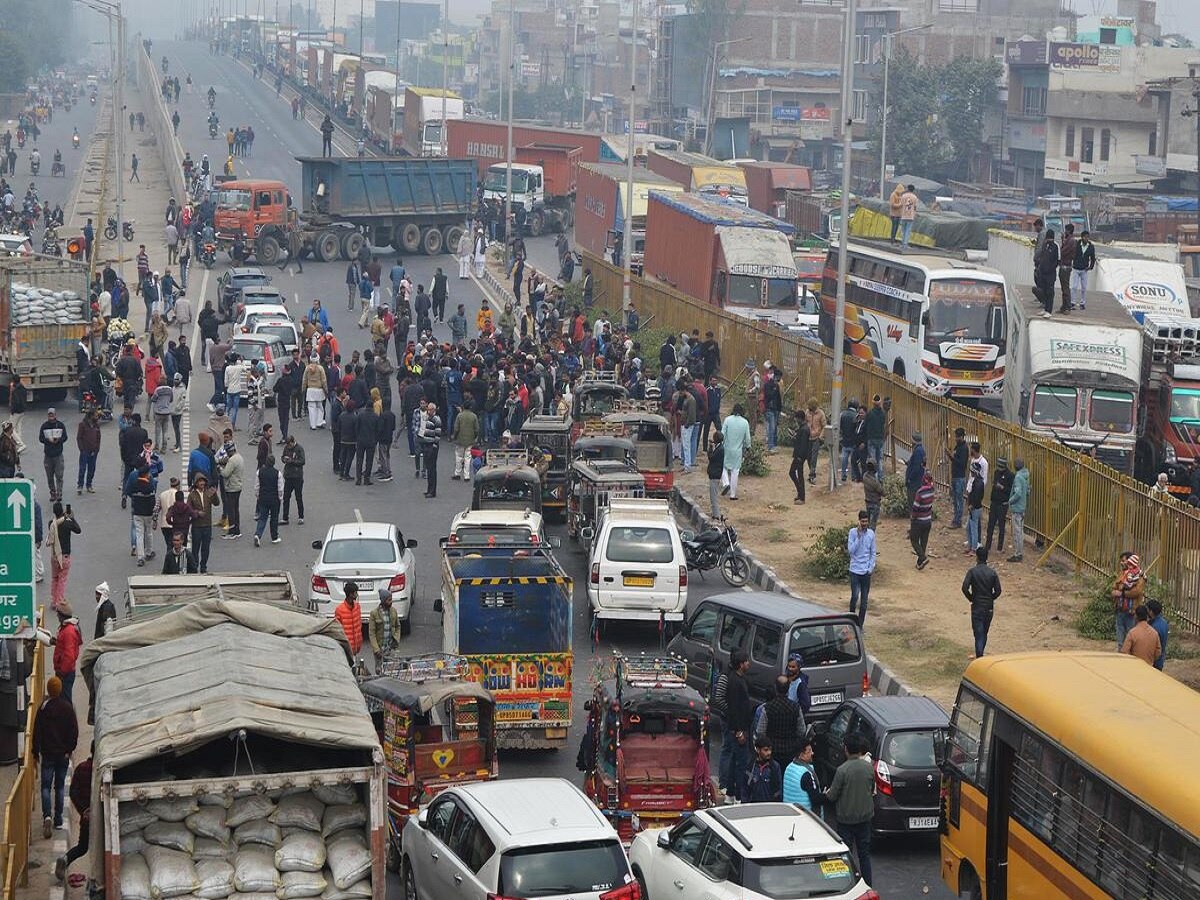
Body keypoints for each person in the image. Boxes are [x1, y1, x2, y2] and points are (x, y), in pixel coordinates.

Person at [825, 731, 875, 887]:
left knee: (846, 855)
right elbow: (871, 788)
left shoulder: (842, 770)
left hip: (846, 820)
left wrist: (826, 793)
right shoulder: (868, 768)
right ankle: (867, 886)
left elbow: (832, 796)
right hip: (865, 818)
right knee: (864, 856)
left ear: (845, 749)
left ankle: (848, 887)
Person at [33, 676, 77, 839]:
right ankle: (58, 819)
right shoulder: (67, 708)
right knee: (59, 786)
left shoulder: (43, 709)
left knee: (45, 786)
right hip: (62, 754)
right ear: (59, 690)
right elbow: (74, 731)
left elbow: (36, 732)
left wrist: (35, 752)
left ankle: (47, 816)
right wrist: (69, 749)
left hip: (48, 754)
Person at [54, 747, 92, 883]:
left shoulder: (81, 768)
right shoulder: (103, 770)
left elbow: (73, 793)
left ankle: (65, 859)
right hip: (102, 819)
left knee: (82, 847)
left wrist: (84, 811)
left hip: (86, 818)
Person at [754, 675, 805, 766]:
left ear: (776, 688)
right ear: (788, 689)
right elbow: (801, 730)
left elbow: (760, 732)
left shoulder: (767, 708)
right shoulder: (796, 707)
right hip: (791, 751)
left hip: (773, 751)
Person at [724, 649, 753, 801]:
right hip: (740, 729)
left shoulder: (738, 679)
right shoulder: (736, 682)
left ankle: (730, 793)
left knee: (734, 762)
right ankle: (738, 796)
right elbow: (735, 708)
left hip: (740, 727)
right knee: (741, 764)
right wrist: (739, 731)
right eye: (747, 661)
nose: (749, 663)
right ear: (741, 665)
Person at [962, 547, 1002, 657]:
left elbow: (964, 588)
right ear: (987, 558)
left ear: (977, 558)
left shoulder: (972, 572)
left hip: (977, 606)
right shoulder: (992, 573)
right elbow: (998, 591)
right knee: (984, 632)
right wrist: (991, 598)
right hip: (988, 607)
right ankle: (980, 655)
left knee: (978, 633)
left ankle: (979, 657)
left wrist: (971, 598)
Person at [47, 502, 81, 611]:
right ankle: (59, 601)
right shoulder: (67, 523)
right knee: (62, 579)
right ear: (62, 511)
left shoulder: (51, 524)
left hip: (54, 556)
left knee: (55, 579)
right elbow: (78, 530)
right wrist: (72, 518)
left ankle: (53, 601)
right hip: (64, 556)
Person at [848, 510, 876, 627]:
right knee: (854, 597)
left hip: (865, 572)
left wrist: (870, 568)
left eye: (866, 521)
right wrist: (858, 537)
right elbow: (851, 550)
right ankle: (850, 622)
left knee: (864, 602)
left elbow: (873, 552)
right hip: (854, 570)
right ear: (859, 521)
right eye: (862, 521)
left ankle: (860, 626)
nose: (864, 523)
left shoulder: (871, 534)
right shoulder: (853, 532)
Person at [187, 474, 219, 573]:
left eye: (203, 481)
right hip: (197, 526)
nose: (202, 483)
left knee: (206, 548)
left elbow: (217, 503)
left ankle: (203, 566)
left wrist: (215, 494)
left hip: (207, 525)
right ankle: (195, 566)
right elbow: (188, 509)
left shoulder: (208, 492)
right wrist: (197, 513)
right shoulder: (192, 495)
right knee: (195, 549)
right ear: (196, 483)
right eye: (200, 482)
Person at [1112, 551, 1144, 650]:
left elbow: (1137, 592)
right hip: (1120, 610)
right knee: (1120, 641)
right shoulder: (1123, 573)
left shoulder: (1139, 575)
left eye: (1123, 561)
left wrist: (1121, 593)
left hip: (1131, 611)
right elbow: (1114, 587)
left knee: (1131, 639)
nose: (1121, 563)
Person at [51, 603, 82, 703]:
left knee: (64, 700)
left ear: (61, 615)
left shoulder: (68, 631)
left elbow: (69, 655)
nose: (57, 616)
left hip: (65, 673)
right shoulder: (67, 629)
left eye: (58, 614)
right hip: (65, 671)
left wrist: (62, 672)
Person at [720, 404, 750, 500]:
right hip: (738, 451)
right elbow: (747, 438)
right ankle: (733, 495)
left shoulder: (728, 420)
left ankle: (725, 483)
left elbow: (722, 434)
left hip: (727, 448)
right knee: (735, 471)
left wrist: (719, 443)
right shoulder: (745, 422)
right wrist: (747, 447)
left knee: (723, 466)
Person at [782, 738, 822, 811]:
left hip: (789, 812)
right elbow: (816, 799)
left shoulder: (789, 767)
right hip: (804, 815)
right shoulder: (806, 773)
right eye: (809, 751)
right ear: (801, 755)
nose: (812, 753)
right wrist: (826, 795)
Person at [253, 453, 283, 546]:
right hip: (274, 499)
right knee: (274, 518)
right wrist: (280, 498)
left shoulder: (259, 472)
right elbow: (280, 488)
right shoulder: (277, 473)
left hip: (263, 498)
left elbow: (257, 486)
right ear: (274, 463)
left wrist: (258, 496)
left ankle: (258, 534)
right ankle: (274, 537)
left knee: (262, 518)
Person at [985, 457, 1014, 553]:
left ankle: (999, 547)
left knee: (1001, 526)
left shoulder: (1010, 475)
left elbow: (1011, 490)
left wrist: (1002, 487)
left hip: (1002, 504)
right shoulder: (996, 472)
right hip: (994, 502)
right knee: (990, 525)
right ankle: (987, 546)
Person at [217, 439, 244, 539]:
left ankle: (231, 531)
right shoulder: (239, 457)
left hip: (231, 487)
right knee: (236, 509)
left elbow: (225, 474)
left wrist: (219, 468)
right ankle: (237, 530)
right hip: (238, 486)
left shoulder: (232, 460)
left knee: (231, 510)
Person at [39, 407, 67, 501]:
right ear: (48, 415)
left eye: (52, 414)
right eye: (49, 414)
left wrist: (59, 440)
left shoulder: (60, 425)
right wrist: (48, 440)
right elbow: (40, 438)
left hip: (58, 455)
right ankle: (52, 493)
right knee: (49, 476)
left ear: (55, 415)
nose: (51, 416)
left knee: (59, 475)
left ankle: (59, 494)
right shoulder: (44, 426)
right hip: (48, 455)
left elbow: (65, 437)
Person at [368, 588, 400, 666]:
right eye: (389, 600)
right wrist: (376, 649)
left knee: (392, 669)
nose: (391, 602)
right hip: (380, 649)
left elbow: (398, 626)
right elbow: (372, 633)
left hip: (391, 648)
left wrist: (396, 639)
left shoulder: (394, 611)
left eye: (391, 599)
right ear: (383, 601)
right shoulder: (374, 613)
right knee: (380, 670)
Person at [745, 737, 782, 802]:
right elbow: (745, 787)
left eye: (770, 749)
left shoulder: (775, 767)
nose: (769, 752)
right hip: (753, 806)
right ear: (758, 750)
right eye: (766, 750)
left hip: (769, 806)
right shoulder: (750, 766)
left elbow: (778, 789)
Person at [910, 471, 935, 570]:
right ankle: (920, 563)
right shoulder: (932, 490)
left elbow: (916, 507)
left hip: (918, 521)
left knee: (914, 540)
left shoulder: (920, 492)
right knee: (923, 542)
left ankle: (923, 557)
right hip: (928, 520)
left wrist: (913, 517)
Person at [946, 427, 968, 528]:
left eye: (958, 437)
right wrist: (950, 456)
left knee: (959, 500)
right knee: (955, 499)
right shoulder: (957, 446)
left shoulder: (964, 448)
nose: (956, 438)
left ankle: (958, 521)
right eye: (955, 436)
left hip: (960, 477)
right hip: (955, 476)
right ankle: (956, 518)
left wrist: (952, 457)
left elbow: (962, 464)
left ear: (962, 437)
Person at [1007, 459, 1029, 562]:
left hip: (1017, 508)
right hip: (1022, 507)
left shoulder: (1018, 477)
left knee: (1017, 532)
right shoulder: (1025, 476)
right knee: (1020, 531)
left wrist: (1010, 501)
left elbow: (1018, 493)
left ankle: (1017, 554)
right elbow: (1028, 491)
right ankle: (1019, 552)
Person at [335, 580, 363, 659]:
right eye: (355, 593)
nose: (357, 595)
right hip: (346, 649)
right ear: (350, 594)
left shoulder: (357, 607)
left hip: (356, 648)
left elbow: (359, 625)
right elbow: (337, 630)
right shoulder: (339, 610)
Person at [1034, 228, 1059, 315]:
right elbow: (1041, 257)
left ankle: (1049, 310)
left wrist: (1050, 269)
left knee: (1050, 292)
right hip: (1042, 273)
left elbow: (1057, 261)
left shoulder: (1055, 247)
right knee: (1043, 291)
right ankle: (1045, 309)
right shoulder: (1044, 246)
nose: (1048, 240)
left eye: (1049, 238)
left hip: (1050, 274)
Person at [421, 401, 442, 498]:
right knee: (429, 469)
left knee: (432, 469)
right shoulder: (428, 418)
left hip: (432, 447)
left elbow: (437, 435)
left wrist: (434, 447)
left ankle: (432, 491)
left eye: (429, 409)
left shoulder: (436, 420)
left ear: (433, 410)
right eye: (427, 409)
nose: (428, 411)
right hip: (426, 445)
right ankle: (429, 489)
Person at [1071, 230, 1095, 308]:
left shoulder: (1091, 247)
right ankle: (1073, 301)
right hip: (1076, 268)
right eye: (1085, 237)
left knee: (1084, 287)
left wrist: (1091, 267)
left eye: (1088, 237)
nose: (1086, 239)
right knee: (1074, 286)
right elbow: (1072, 253)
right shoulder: (1077, 244)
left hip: (1084, 269)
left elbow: (1093, 258)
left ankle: (1082, 302)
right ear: (1082, 237)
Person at [965, 460, 985, 554]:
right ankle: (970, 546)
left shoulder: (978, 483)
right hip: (974, 508)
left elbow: (977, 497)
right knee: (969, 527)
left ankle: (974, 548)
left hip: (975, 508)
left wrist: (971, 505)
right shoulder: (977, 481)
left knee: (973, 528)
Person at [705, 430, 725, 519]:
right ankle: (714, 513)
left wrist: (709, 448)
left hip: (715, 475)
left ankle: (716, 515)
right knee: (713, 495)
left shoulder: (720, 449)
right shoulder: (720, 447)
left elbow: (711, 457)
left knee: (713, 497)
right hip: (715, 474)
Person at [1058, 224, 1077, 312]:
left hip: (1066, 266)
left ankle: (1067, 306)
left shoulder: (1071, 241)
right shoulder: (1069, 240)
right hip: (1065, 265)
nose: (1064, 232)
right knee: (1064, 287)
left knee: (1065, 287)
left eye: (1065, 230)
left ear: (1068, 231)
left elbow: (1063, 251)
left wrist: (1063, 240)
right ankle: (1064, 306)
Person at [904, 431, 925, 509]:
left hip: (914, 483)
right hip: (918, 481)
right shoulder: (921, 450)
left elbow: (916, 468)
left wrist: (910, 478)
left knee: (913, 503)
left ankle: (914, 519)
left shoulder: (917, 451)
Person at [1146, 599, 1168, 670]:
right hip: (1160, 659)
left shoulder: (1153, 628)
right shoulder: (1164, 622)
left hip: (1154, 661)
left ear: (1151, 612)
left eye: (1147, 610)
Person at [862, 460, 883, 529]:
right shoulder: (875, 482)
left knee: (867, 522)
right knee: (872, 524)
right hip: (875, 503)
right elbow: (882, 491)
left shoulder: (865, 476)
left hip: (868, 502)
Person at [898, 184, 918, 248]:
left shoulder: (903, 196)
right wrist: (914, 214)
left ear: (907, 189)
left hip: (904, 215)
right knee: (908, 230)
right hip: (911, 216)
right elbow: (915, 207)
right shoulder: (915, 197)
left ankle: (902, 243)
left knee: (903, 230)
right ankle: (905, 244)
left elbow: (900, 205)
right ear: (913, 190)